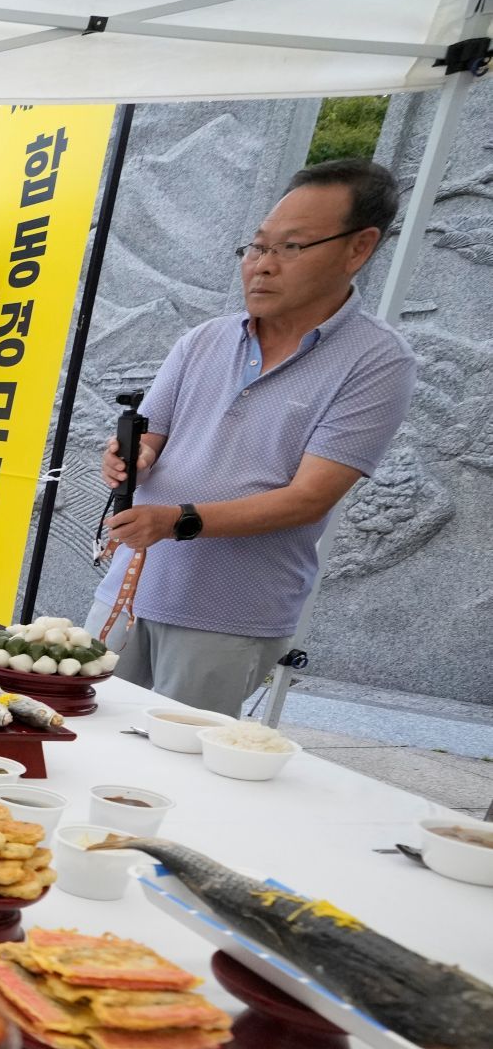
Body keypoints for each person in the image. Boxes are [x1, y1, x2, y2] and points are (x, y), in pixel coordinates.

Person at [88, 158, 416, 715]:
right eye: (256, 247)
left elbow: (310, 498)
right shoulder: (204, 340)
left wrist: (179, 520)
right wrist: (128, 456)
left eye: (289, 248)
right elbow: (153, 440)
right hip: (131, 589)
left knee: (175, 775)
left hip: (229, 614)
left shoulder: (378, 361)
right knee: (82, 738)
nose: (261, 267)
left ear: (358, 248)